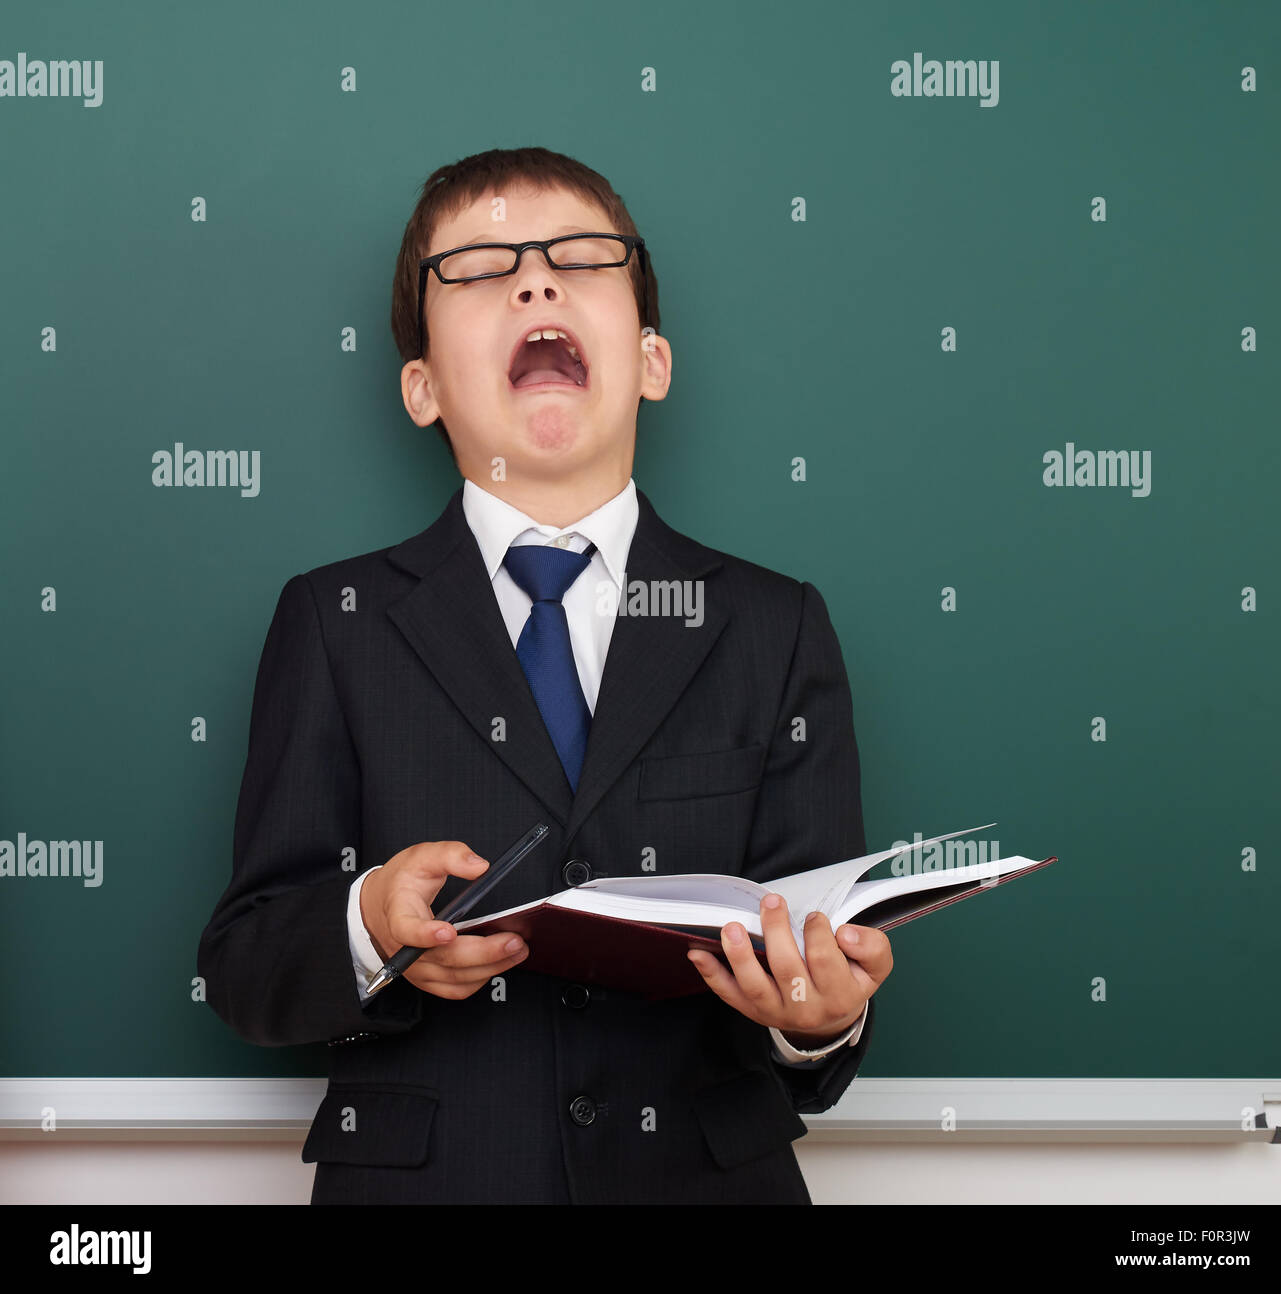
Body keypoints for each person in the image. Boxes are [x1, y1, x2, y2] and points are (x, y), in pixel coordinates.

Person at [196, 146, 893, 1205]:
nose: (534, 279)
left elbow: (819, 955)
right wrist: (371, 923)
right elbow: (244, 967)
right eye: (476, 268)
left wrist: (822, 1018)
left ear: (652, 360)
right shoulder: (334, 621)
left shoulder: (773, 624)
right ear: (422, 388)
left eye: (579, 256)